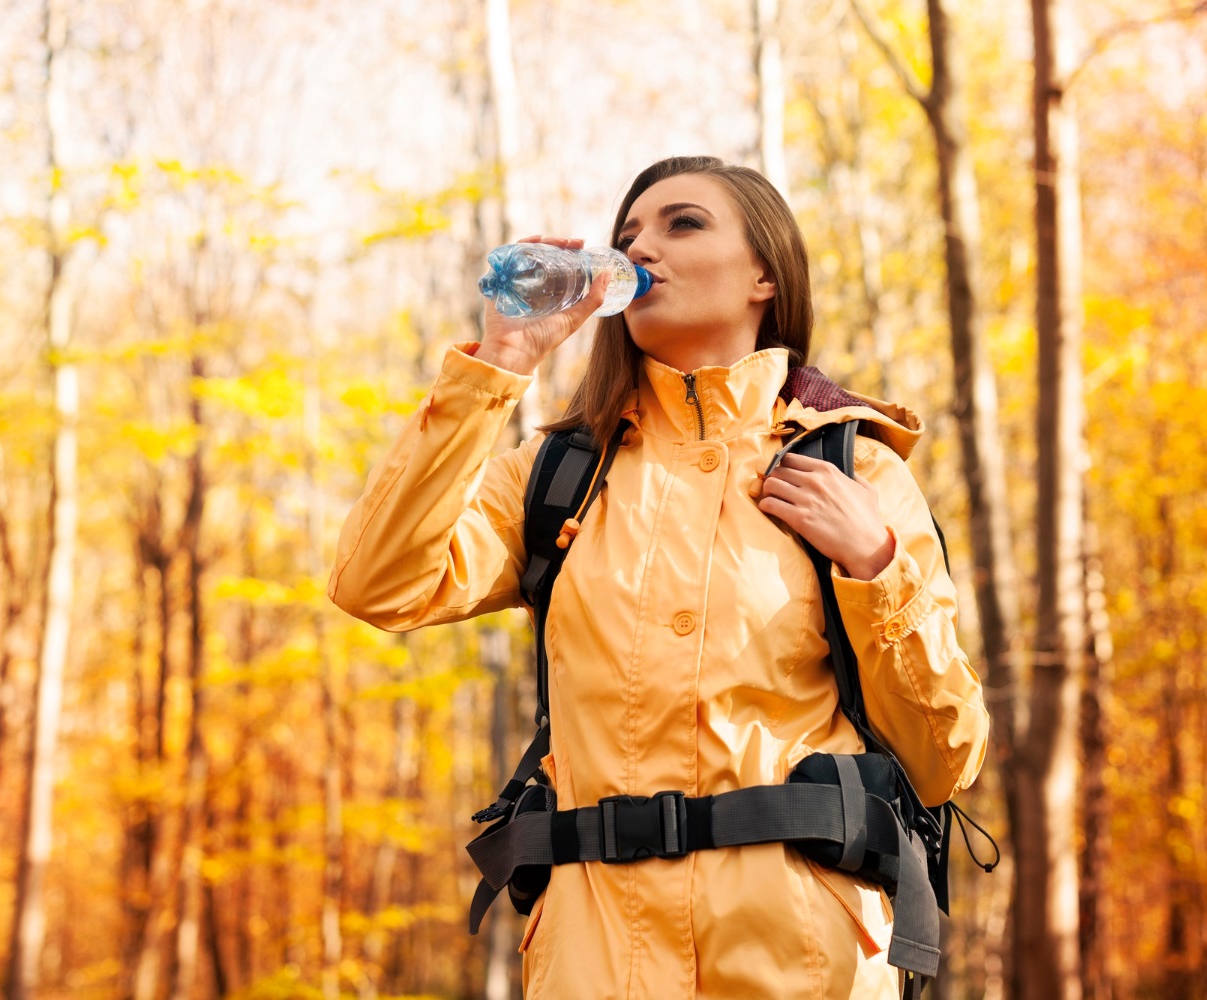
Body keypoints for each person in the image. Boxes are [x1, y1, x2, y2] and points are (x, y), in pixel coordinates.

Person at [329, 155, 989, 999]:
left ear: (764, 273)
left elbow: (943, 760)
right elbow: (376, 583)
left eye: (683, 224)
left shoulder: (855, 475)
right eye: (628, 235)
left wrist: (877, 566)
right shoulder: (556, 475)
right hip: (593, 962)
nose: (645, 248)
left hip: (805, 963)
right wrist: (496, 369)